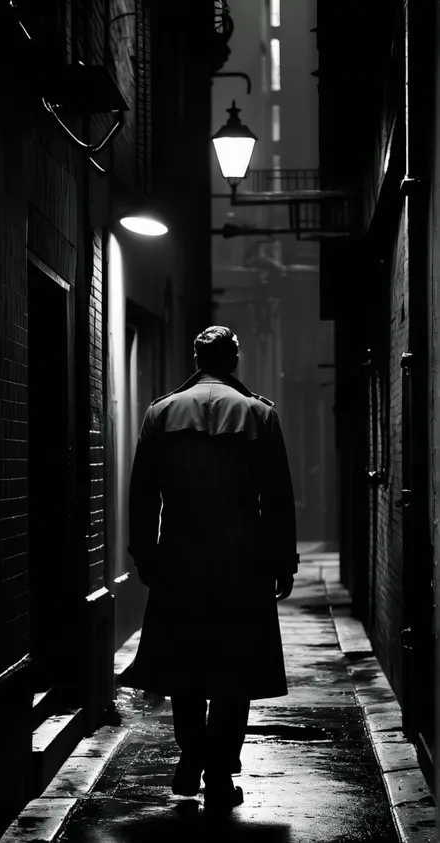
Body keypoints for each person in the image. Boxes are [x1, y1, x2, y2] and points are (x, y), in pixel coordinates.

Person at [120, 326, 299, 812]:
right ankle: (219, 771)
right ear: (235, 359)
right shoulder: (260, 414)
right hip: (243, 559)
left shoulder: (161, 412)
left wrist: (146, 555)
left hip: (181, 555)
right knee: (233, 667)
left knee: (186, 663)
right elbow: (277, 498)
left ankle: (191, 754)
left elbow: (143, 493)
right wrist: (283, 561)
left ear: (196, 357)